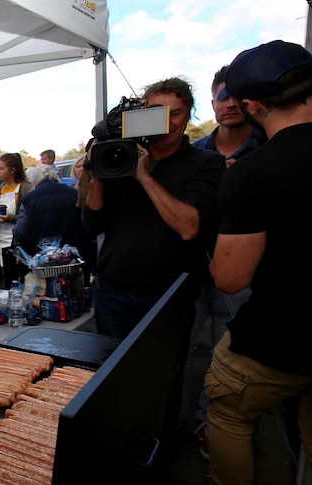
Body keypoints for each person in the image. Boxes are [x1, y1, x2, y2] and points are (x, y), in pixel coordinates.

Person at [82, 77, 225, 452]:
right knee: (111, 375)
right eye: (155, 115)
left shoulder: (205, 163)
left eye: (175, 114)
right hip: (113, 289)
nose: (166, 123)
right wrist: (99, 171)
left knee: (162, 379)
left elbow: (189, 226)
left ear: (189, 114)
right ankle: (116, 444)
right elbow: (91, 224)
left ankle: (156, 448)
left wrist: (143, 177)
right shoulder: (120, 154)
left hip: (168, 297)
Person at [204, 40, 312, 485]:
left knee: (227, 404)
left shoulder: (251, 173)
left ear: (251, 105)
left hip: (281, 338)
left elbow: (230, 279)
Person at [189, 63, 266, 459]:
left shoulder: (269, 148)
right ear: (212, 103)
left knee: (227, 354)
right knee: (175, 348)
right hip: (190, 266)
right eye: (222, 95)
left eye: (238, 95)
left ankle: (210, 423)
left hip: (240, 273)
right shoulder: (196, 153)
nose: (230, 103)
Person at [12, 164, 93, 277]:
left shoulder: (28, 199)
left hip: (41, 261)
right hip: (74, 258)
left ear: (35, 182)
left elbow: (19, 232)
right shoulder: (75, 194)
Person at [0, 152, 33, 286]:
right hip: (1, 240)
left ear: (12, 170)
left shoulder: (25, 188)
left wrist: (10, 218)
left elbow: (29, 217)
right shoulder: (0, 188)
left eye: (1, 168)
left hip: (18, 242)